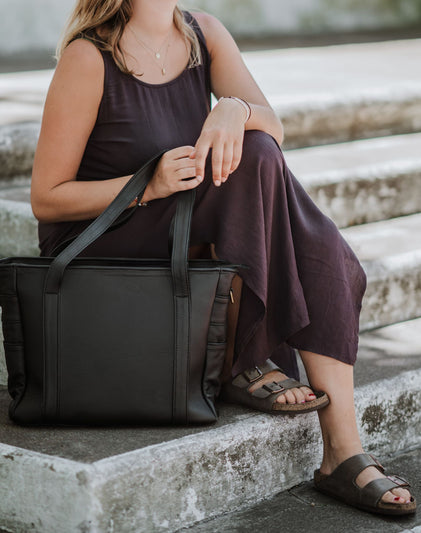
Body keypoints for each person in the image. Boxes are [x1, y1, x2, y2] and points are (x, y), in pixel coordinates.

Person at [30, 0, 416, 516]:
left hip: (185, 225)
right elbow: (47, 198)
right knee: (270, 189)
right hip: (106, 240)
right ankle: (251, 361)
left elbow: (271, 127)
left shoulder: (203, 34)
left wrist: (233, 108)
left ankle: (342, 452)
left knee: (259, 155)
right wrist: (149, 184)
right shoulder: (89, 56)